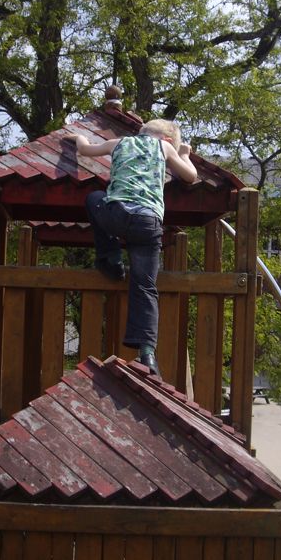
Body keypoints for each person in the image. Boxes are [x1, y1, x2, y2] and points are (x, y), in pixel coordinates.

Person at [69, 117, 198, 377]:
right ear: (168, 139)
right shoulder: (165, 148)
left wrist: (76, 138)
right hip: (148, 223)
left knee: (94, 198)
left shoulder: (119, 143)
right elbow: (190, 176)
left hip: (116, 214)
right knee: (145, 285)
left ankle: (112, 257)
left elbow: (85, 149)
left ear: (142, 133)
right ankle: (147, 354)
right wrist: (184, 153)